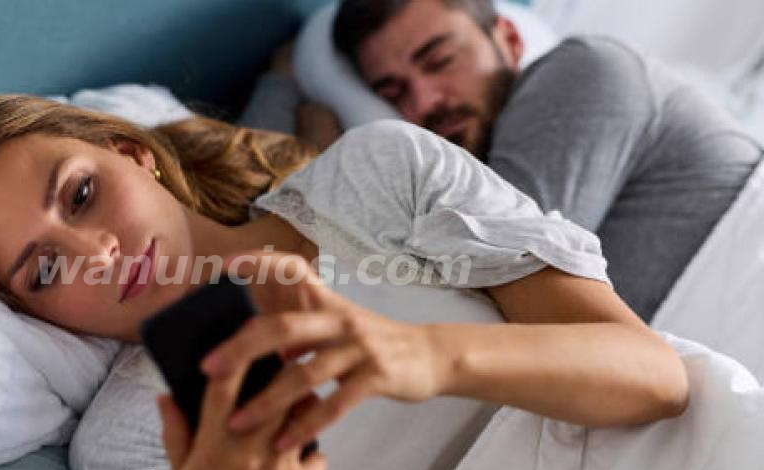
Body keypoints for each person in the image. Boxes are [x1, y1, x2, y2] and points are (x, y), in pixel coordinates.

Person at [0, 95, 688, 470]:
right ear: (35, 315)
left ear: (132, 153)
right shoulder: (135, 445)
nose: (99, 254)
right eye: (47, 269)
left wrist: (425, 355)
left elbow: (655, 378)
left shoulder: (379, 176)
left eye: (82, 195)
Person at [252, 0, 763, 321]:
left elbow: (463, 303)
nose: (425, 102)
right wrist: (282, 88)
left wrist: (317, 155)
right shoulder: (466, 186)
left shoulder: (583, 71)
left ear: (511, 40)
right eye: (393, 92)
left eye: (440, 61)